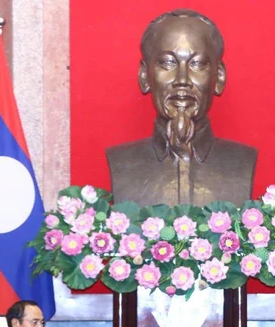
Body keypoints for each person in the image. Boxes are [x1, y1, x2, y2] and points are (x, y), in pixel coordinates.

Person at [107, 9, 257, 207]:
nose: (182, 80)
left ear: (219, 77)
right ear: (145, 76)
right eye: (168, 63)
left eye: (197, 63)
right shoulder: (122, 162)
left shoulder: (242, 161)